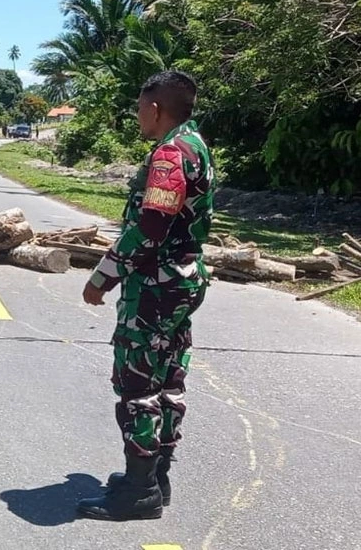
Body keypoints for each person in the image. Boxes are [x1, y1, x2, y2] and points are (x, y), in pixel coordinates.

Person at [77, 71, 215, 522]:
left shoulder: (170, 154)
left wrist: (103, 276)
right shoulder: (197, 145)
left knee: (138, 385)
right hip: (183, 281)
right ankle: (157, 476)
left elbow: (151, 227)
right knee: (170, 378)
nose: (137, 115)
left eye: (140, 107)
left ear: (155, 109)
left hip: (156, 286)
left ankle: (139, 492)